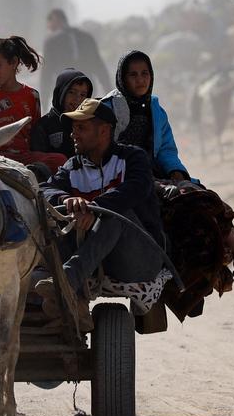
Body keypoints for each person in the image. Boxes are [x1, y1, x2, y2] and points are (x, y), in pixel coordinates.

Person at [101, 50, 234, 291]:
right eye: (133, 75)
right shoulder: (111, 107)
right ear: (122, 78)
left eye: (144, 73)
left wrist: (176, 171)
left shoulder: (155, 109)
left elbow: (166, 148)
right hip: (130, 178)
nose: (140, 79)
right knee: (191, 200)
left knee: (207, 198)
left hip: (159, 176)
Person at [37, 98, 171, 329]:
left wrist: (93, 208)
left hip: (138, 260)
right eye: (73, 128)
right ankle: (77, 303)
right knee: (56, 217)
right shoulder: (72, 166)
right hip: (97, 260)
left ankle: (66, 280)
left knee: (116, 214)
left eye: (81, 128)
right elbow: (44, 189)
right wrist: (67, 200)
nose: (73, 135)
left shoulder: (132, 158)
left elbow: (136, 188)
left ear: (104, 131)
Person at [0, 35, 68, 172]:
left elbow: (35, 133)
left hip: (22, 157)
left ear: (14, 62)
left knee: (60, 160)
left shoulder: (32, 96)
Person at [41, 9, 107, 112]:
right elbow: (99, 66)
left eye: (49, 24)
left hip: (66, 91)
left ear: (55, 20)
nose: (49, 28)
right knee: (86, 121)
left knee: (67, 122)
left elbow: (46, 75)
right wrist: (109, 92)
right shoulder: (86, 37)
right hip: (88, 88)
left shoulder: (51, 41)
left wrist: (43, 104)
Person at [30, 69, 93, 158]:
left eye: (83, 95)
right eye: (72, 92)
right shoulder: (44, 126)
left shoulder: (89, 123)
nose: (77, 99)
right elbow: (39, 159)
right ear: (60, 93)